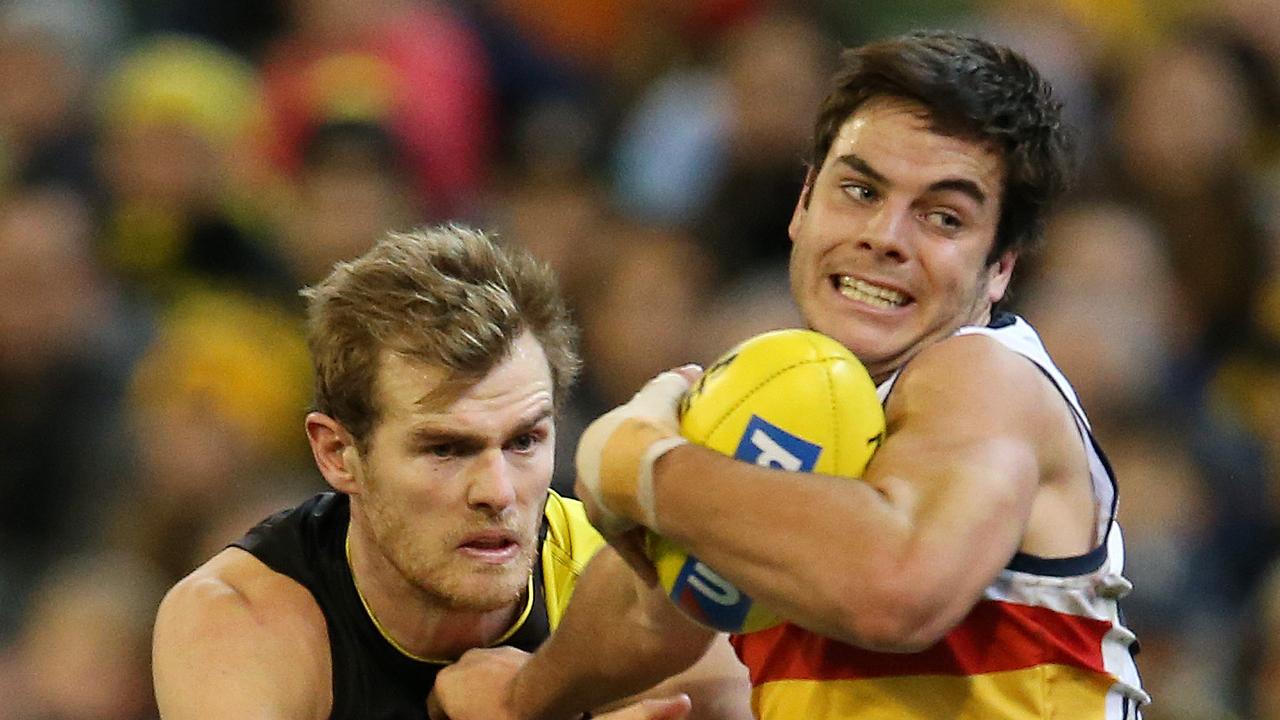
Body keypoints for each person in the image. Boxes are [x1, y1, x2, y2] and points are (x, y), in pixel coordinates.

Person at [430, 31, 1151, 719]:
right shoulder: (782, 391)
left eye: (942, 217)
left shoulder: (987, 377)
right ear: (805, 203)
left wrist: (639, 464)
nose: (883, 238)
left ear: (1000, 269)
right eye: (861, 192)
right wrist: (523, 699)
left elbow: (896, 588)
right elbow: (656, 615)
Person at [151, 225, 752, 719]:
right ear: (339, 454)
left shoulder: (630, 590)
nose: (497, 492)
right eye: (445, 449)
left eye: (524, 441)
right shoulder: (239, 620)